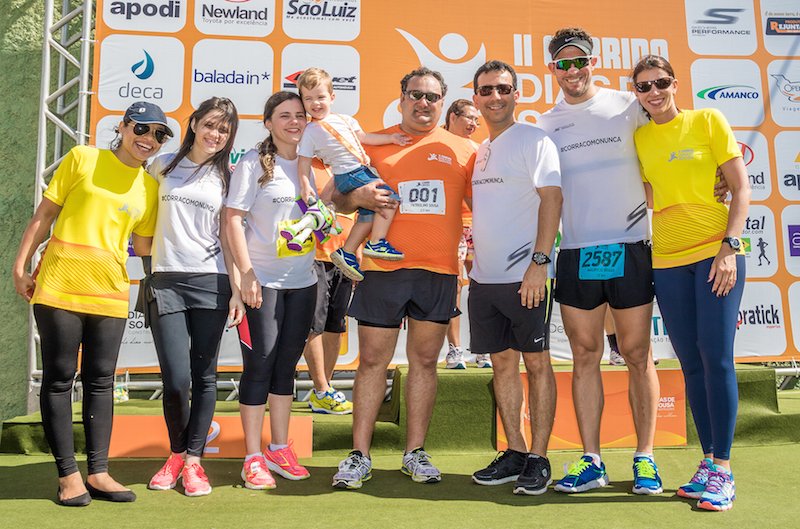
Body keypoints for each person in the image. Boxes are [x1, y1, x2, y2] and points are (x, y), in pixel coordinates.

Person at [12, 101, 170, 506]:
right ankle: (68, 476)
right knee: (60, 377)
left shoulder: (150, 188)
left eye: (159, 134)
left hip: (111, 289)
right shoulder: (82, 157)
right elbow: (44, 215)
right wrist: (19, 266)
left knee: (101, 381)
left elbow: (146, 246)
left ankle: (98, 472)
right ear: (123, 125)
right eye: (142, 129)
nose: (148, 139)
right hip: (60, 282)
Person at [329, 67, 476, 489]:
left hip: (438, 270)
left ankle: (414, 452)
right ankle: (359, 455)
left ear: (442, 102)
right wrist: (356, 196)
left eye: (432, 96)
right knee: (373, 360)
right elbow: (339, 196)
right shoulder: (373, 144)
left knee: (425, 362)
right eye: (416, 95)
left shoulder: (464, 149)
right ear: (402, 98)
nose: (423, 103)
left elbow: (482, 201)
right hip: (383, 270)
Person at [535, 27, 663, 495]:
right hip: (577, 252)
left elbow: (666, 155)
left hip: (630, 246)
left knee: (636, 353)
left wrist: (715, 181)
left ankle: (645, 458)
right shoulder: (545, 124)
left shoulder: (628, 106)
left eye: (579, 62)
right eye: (563, 64)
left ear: (593, 62)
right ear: (552, 69)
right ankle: (592, 459)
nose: (572, 71)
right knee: (585, 354)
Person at [632, 54, 750, 511]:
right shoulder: (640, 138)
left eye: (660, 82)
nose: (653, 92)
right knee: (691, 364)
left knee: (717, 359)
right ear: (637, 95)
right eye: (643, 87)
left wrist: (731, 247)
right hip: (666, 260)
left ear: (675, 83)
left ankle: (723, 468)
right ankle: (706, 463)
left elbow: (739, 189)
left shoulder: (708, 120)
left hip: (713, 254)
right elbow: (644, 194)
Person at [467, 60, 562, 496]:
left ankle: (540, 458)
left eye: (503, 89)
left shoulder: (533, 138)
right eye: (486, 90)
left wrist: (539, 263)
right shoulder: (481, 150)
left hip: (528, 277)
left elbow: (552, 198)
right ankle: (516, 451)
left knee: (537, 364)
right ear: (476, 98)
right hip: (485, 281)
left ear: (516, 93)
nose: (495, 97)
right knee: (502, 363)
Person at [144, 97, 244, 496]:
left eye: (224, 129)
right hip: (165, 279)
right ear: (195, 123)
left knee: (204, 377)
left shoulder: (228, 176)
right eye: (210, 125)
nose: (215, 134)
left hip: (211, 281)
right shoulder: (161, 164)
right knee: (175, 379)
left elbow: (228, 235)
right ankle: (175, 453)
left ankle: (193, 462)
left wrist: (237, 290)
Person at [224, 91, 319, 489]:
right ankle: (252, 456)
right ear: (268, 122)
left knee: (286, 367)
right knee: (259, 365)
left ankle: (279, 448)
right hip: (262, 283)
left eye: (300, 115)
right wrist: (245, 274)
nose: (294, 122)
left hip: (305, 281)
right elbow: (231, 220)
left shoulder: (311, 163)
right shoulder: (252, 163)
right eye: (285, 116)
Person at [296, 67, 410, 282]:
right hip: (347, 175)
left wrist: (392, 138)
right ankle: (377, 242)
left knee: (369, 211)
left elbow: (365, 138)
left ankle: (346, 252)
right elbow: (303, 162)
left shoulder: (346, 120)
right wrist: (304, 184)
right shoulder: (310, 131)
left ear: (332, 97)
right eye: (308, 99)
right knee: (390, 199)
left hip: (360, 171)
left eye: (320, 97)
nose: (315, 103)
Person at [303, 159, 355, 415]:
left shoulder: (348, 168)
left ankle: (323, 390)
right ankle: (322, 388)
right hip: (312, 255)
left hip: (344, 257)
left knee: (336, 325)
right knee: (314, 325)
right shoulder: (304, 165)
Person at [441, 99, 489, 369]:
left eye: (477, 121)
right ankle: (455, 349)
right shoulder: (438, 143)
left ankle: (483, 349)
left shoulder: (479, 149)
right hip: (450, 225)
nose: (473, 124)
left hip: (478, 224)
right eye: (469, 118)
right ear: (452, 117)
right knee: (454, 288)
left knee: (482, 286)